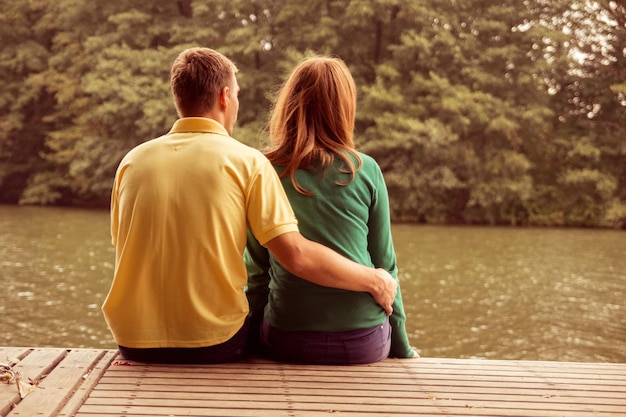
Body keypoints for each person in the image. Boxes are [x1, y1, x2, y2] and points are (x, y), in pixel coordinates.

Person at [102, 47, 398, 364]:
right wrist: (374, 279)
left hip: (134, 342)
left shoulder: (131, 162)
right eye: (238, 95)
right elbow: (295, 255)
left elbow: (124, 245)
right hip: (215, 343)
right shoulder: (247, 162)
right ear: (225, 97)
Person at [245, 55, 417, 364]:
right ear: (345, 108)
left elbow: (257, 273)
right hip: (363, 341)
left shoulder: (263, 169)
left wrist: (251, 340)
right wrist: (403, 349)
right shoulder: (366, 170)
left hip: (288, 338)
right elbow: (386, 266)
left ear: (290, 104)